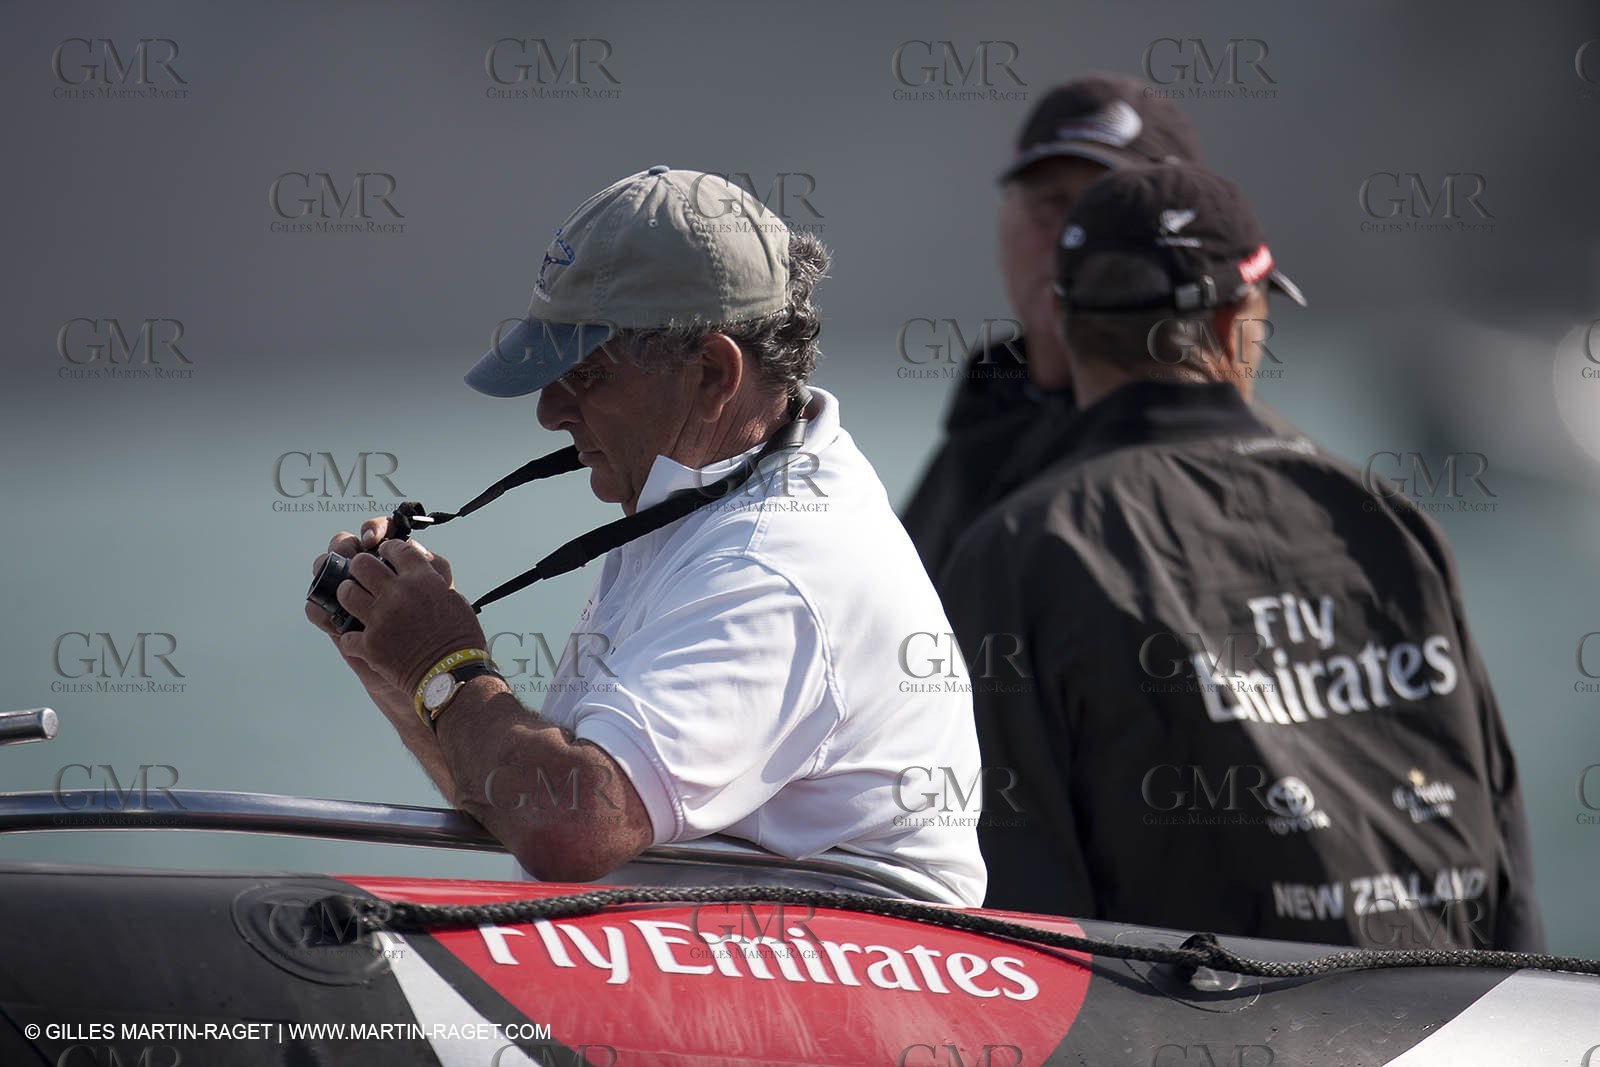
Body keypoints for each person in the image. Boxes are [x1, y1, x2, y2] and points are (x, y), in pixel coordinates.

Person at [307, 166, 985, 907]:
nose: (549, 411)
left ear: (713, 373)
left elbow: (573, 825)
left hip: (851, 999)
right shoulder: (710, 499)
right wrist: (400, 666)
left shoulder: (774, 564)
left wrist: (446, 661)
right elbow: (519, 799)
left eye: (586, 373)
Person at [937, 163, 1543, 949]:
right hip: (1457, 1028)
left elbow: (1017, 898)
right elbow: (1503, 849)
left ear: (1063, 321)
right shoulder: (1390, 523)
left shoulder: (1017, 551)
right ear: (1235, 325)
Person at [901, 73, 1302, 582]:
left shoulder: (1256, 469)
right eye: (1051, 205)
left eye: (1106, 209)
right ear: (1004, 222)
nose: (1071, 241)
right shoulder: (983, 418)